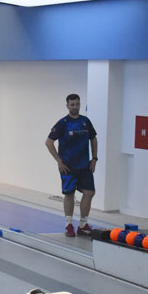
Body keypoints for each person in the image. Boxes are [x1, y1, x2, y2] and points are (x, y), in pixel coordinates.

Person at [45, 94, 98, 237]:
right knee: (69, 194)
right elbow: (49, 142)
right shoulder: (63, 123)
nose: (75, 107)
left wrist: (94, 158)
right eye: (72, 104)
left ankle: (83, 225)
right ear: (67, 106)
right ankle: (68, 225)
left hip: (84, 166)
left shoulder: (85, 121)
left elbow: (93, 138)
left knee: (89, 192)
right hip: (68, 166)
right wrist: (59, 160)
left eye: (77, 104)